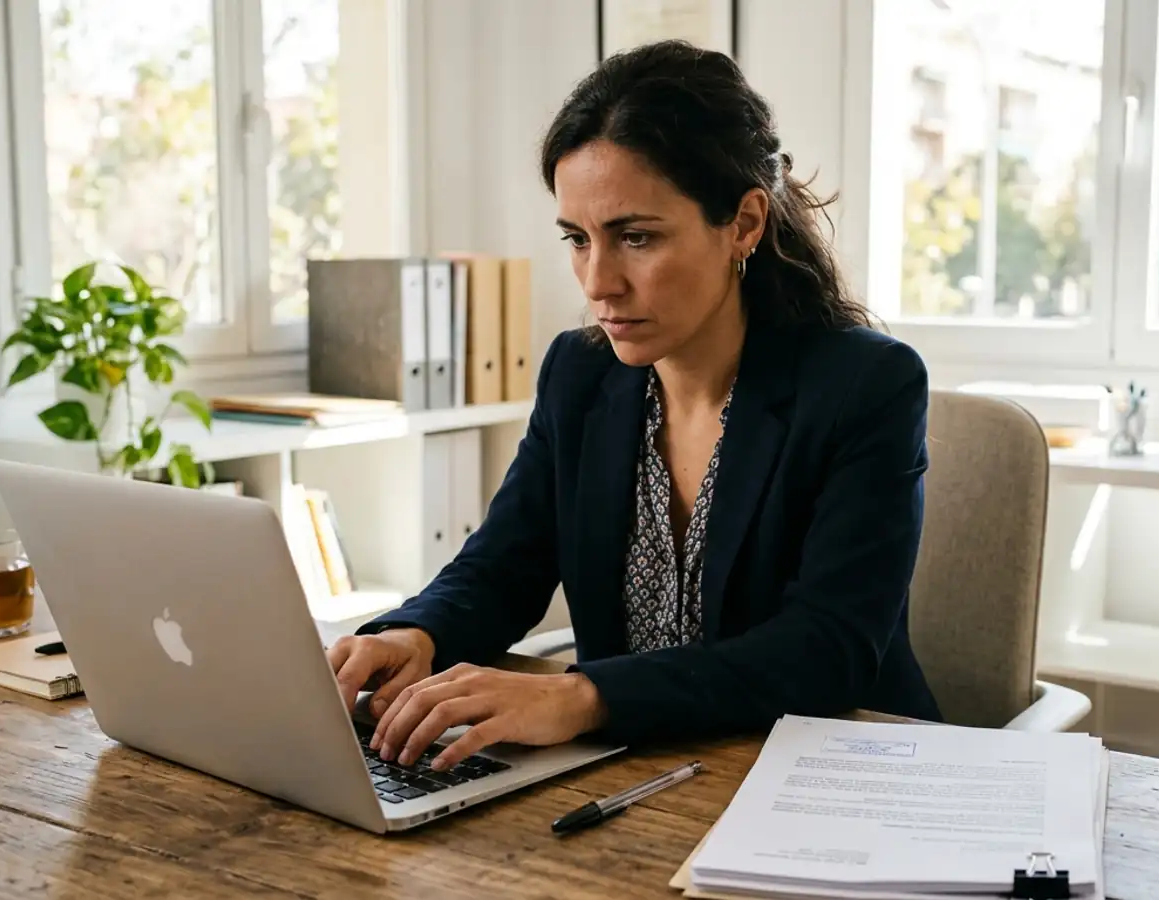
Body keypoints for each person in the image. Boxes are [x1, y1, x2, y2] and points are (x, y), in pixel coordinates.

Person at [327, 39, 942, 773]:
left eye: (637, 237)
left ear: (744, 223)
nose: (598, 282)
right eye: (577, 239)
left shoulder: (865, 385)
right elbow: (502, 565)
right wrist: (415, 634)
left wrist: (583, 697)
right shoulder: (580, 375)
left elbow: (827, 650)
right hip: (640, 772)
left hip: (839, 772)